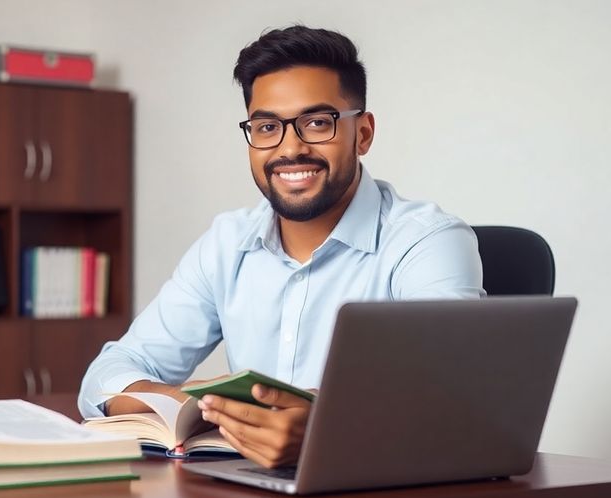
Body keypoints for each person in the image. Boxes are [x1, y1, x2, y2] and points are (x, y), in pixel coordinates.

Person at [78, 25, 484, 468]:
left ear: (363, 133)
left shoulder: (426, 241)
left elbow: (449, 395)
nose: (290, 148)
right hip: (247, 490)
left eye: (317, 122)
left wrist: (328, 424)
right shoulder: (227, 243)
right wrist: (196, 401)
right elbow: (106, 376)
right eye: (267, 126)